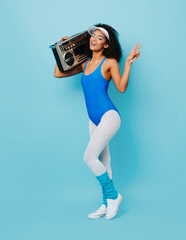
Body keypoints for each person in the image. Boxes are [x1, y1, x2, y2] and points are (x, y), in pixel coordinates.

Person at [54, 23, 141, 219]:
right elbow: (58, 73)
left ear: (106, 45)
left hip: (109, 116)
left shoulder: (109, 62)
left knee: (89, 158)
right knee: (104, 160)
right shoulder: (84, 63)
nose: (94, 39)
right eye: (93, 35)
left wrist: (127, 64)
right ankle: (105, 204)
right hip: (93, 119)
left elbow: (121, 88)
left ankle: (113, 196)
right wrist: (63, 50)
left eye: (100, 38)